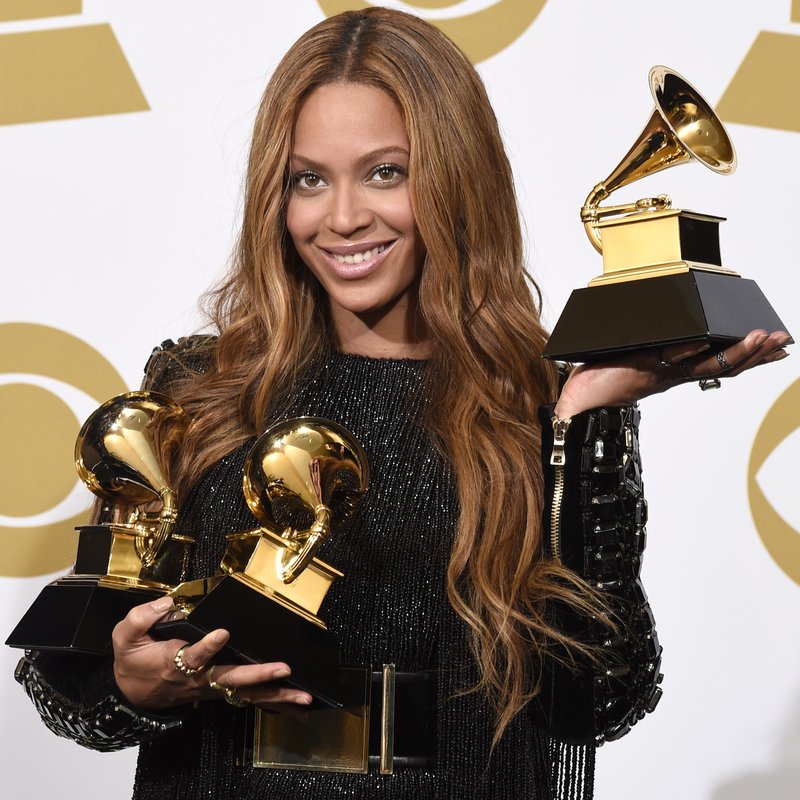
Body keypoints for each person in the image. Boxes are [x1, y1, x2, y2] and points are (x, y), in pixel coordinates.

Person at [14, 8, 789, 800]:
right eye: (308, 178)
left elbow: (597, 703)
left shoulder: (540, 403)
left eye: (386, 172)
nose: (343, 217)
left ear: (456, 178)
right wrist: (132, 686)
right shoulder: (197, 389)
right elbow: (60, 686)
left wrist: (583, 420)